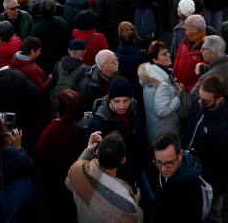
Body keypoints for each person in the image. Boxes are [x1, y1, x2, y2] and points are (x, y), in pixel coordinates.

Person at [86, 77, 151, 208]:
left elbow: (140, 133)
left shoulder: (135, 107)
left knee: (150, 202)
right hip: (118, 179)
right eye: (117, 101)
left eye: (126, 100)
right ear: (110, 99)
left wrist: (143, 159)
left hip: (138, 171)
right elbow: (95, 158)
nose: (122, 106)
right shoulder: (99, 123)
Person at [35, 90, 90, 223]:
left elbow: (39, 151)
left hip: (59, 177)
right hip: (83, 177)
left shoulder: (54, 129)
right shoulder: (91, 125)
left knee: (62, 213)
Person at [183, 74, 228, 223]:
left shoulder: (222, 129)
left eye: (205, 100)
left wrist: (214, 192)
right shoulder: (198, 104)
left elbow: (220, 166)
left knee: (212, 215)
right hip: (192, 172)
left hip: (207, 182)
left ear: (219, 100)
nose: (200, 101)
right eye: (199, 96)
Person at [66, 131, 143, 223]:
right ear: (123, 160)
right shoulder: (125, 199)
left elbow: (70, 179)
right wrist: (136, 206)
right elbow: (134, 220)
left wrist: (88, 151)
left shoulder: (78, 173)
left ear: (97, 152)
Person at [138, 41, 188, 145]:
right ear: (155, 60)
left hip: (156, 130)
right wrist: (178, 97)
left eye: (167, 52)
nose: (168, 55)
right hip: (165, 134)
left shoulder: (151, 72)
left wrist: (174, 88)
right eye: (163, 54)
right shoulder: (162, 83)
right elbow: (162, 111)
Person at [152, 131, 206, 223]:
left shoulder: (187, 194)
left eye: (169, 163)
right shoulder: (188, 162)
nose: (163, 170)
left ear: (180, 155)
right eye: (159, 162)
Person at [191, 35, 228, 101]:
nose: (201, 50)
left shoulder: (207, 78)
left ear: (213, 54)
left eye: (203, 48)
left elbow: (192, 95)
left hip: (215, 109)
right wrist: (205, 68)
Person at [31, 0, 71, 76]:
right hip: (61, 61)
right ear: (55, 9)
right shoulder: (61, 22)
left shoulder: (37, 29)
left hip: (45, 64)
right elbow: (68, 40)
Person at [173, 15, 212, 92]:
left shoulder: (208, 48)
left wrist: (188, 90)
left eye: (187, 25)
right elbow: (178, 56)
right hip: (179, 86)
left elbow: (205, 76)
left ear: (195, 29)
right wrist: (175, 79)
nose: (184, 27)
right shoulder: (187, 37)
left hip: (192, 92)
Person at [78, 49, 120, 114]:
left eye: (116, 59)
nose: (117, 63)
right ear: (103, 66)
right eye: (113, 62)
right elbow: (85, 111)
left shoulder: (117, 76)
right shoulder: (87, 85)